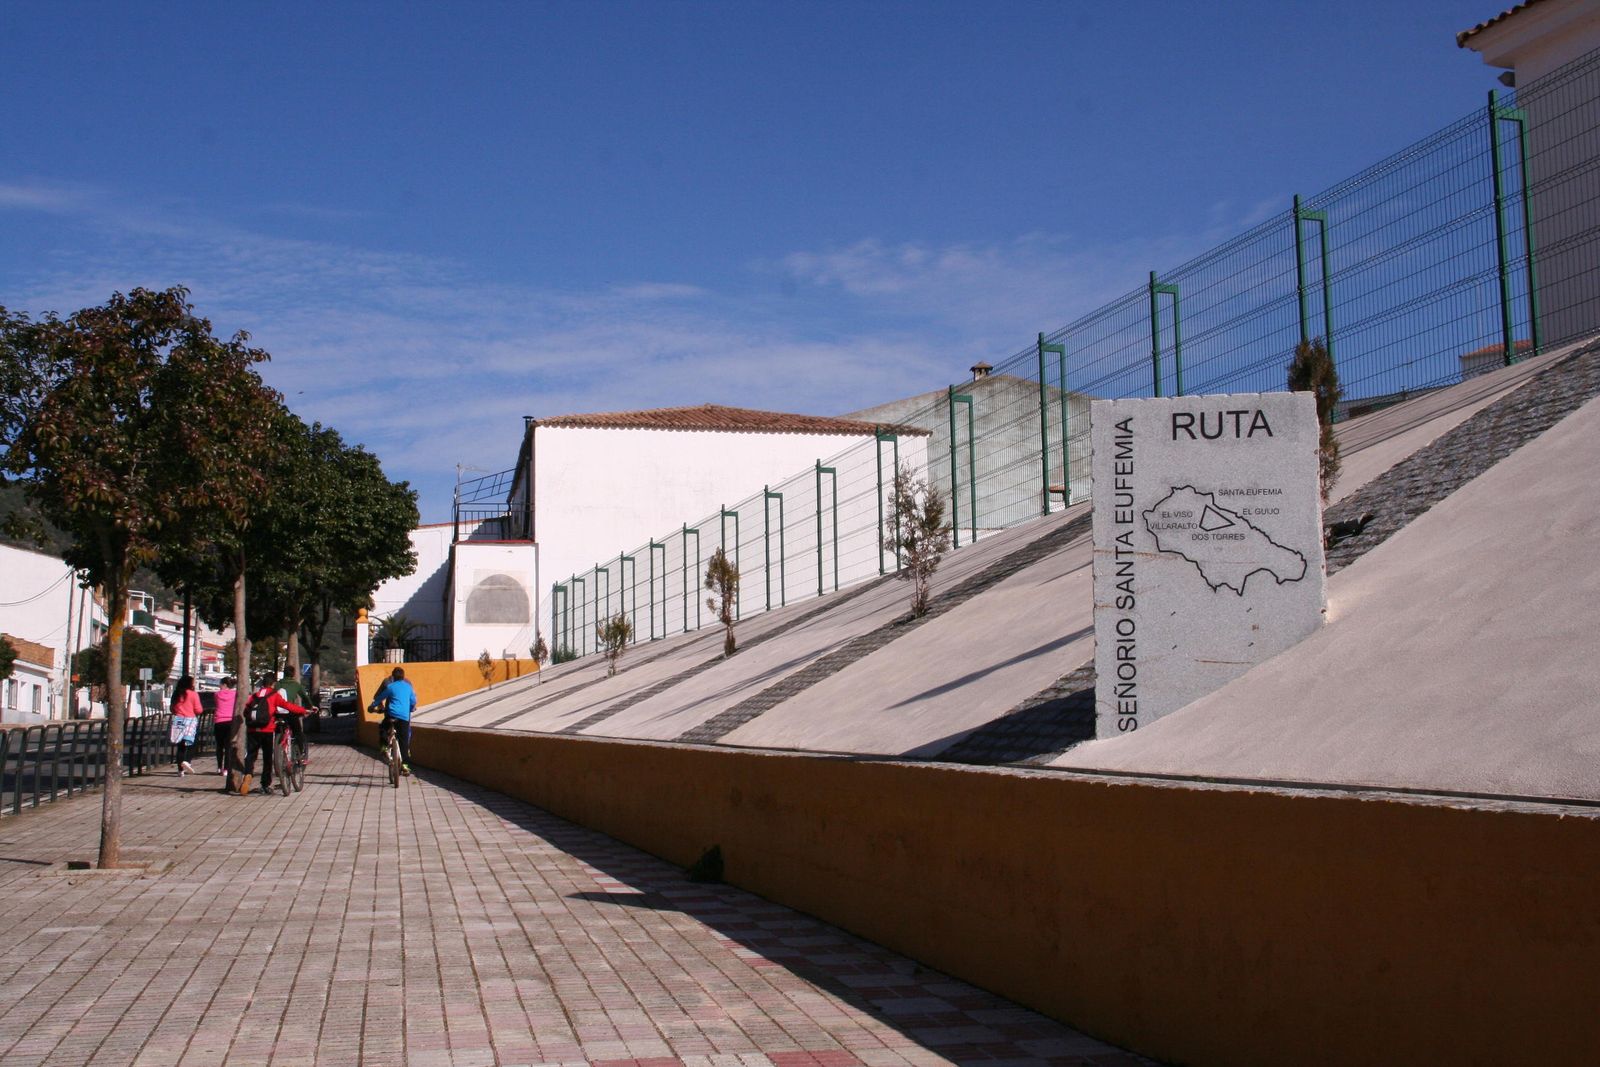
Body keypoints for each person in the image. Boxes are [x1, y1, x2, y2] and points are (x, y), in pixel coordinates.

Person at [239, 672, 309, 796]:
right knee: (267, 757)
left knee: (250, 755)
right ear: (273, 683)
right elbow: (287, 706)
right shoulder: (274, 695)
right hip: (267, 729)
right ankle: (265, 784)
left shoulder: (254, 696)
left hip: (252, 730)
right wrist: (303, 710)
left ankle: (248, 775)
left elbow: (246, 712)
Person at [374, 666, 418, 774]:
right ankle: (406, 761)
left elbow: (378, 697)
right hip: (404, 715)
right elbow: (413, 700)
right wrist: (412, 707)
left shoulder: (388, 683)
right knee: (405, 736)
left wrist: (378, 707)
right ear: (403, 675)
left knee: (384, 728)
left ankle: (384, 746)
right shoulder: (408, 684)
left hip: (390, 713)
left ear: (393, 675)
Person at [274, 671, 311, 768]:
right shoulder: (296, 685)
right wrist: (310, 707)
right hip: (290, 711)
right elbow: (305, 697)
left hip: (277, 712)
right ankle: (301, 755)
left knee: (279, 730)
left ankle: (277, 752)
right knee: (298, 732)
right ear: (293, 675)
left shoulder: (277, 684)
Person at [168, 675, 201, 775]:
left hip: (178, 720)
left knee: (180, 745)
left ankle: (180, 770)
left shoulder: (177, 694)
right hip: (190, 721)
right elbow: (198, 709)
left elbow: (172, 708)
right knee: (192, 742)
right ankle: (187, 761)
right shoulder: (193, 694)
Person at [213, 676, 238, 784]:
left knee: (219, 746)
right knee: (228, 746)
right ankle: (226, 769)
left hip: (219, 721)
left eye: (220, 684)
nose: (219, 686)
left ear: (224, 685)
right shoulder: (235, 694)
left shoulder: (217, 694)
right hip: (230, 721)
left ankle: (219, 766)